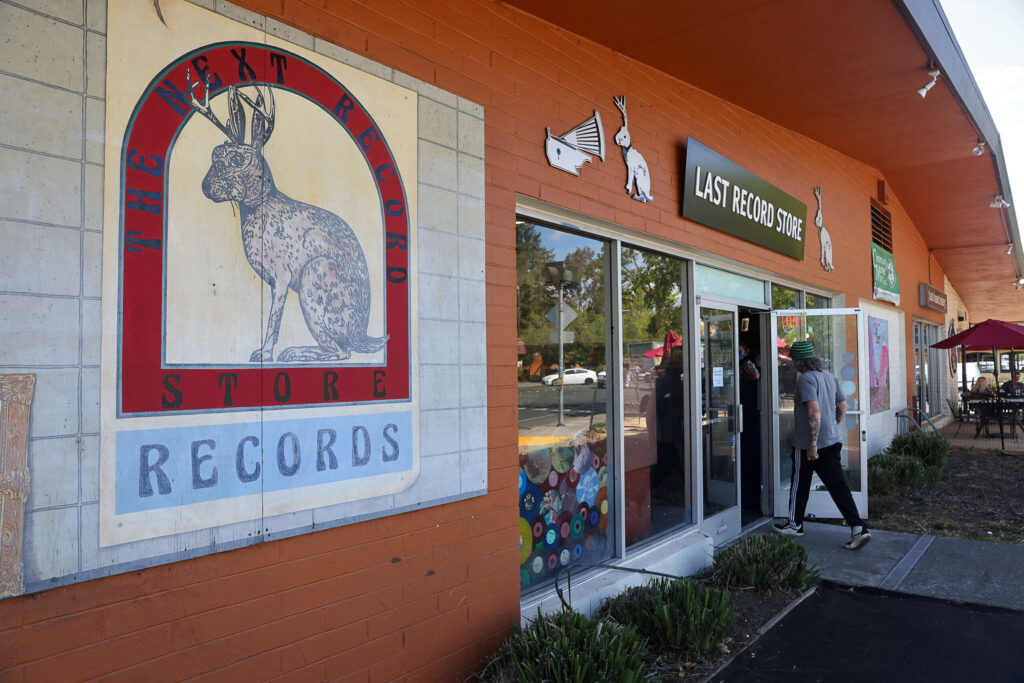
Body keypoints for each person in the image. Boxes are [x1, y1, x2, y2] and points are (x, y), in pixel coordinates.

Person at [773, 340, 871, 550]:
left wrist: (813, 444)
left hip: (808, 445)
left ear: (797, 362)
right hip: (832, 441)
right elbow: (843, 407)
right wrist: (831, 428)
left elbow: (814, 412)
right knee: (838, 487)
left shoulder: (806, 380)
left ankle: (794, 524)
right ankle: (858, 528)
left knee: (800, 484)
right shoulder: (829, 376)